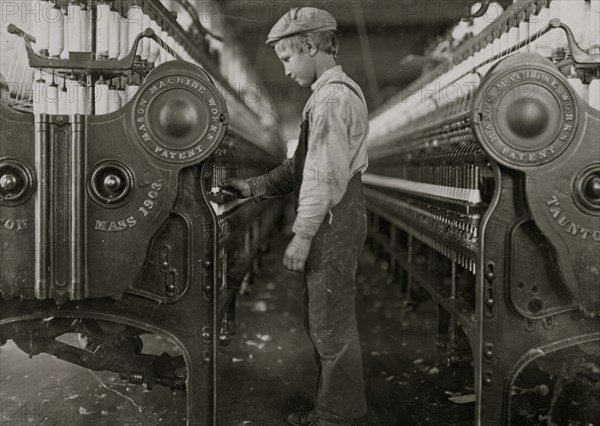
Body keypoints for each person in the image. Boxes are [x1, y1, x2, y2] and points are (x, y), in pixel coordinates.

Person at [219, 7, 369, 426]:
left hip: (335, 219)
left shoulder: (333, 101)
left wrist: (302, 234)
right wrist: (251, 188)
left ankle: (339, 415)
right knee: (323, 318)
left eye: (287, 58)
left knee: (330, 320)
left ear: (309, 45)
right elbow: (297, 170)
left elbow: (320, 177)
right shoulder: (324, 98)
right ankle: (333, 407)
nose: (285, 70)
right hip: (338, 216)